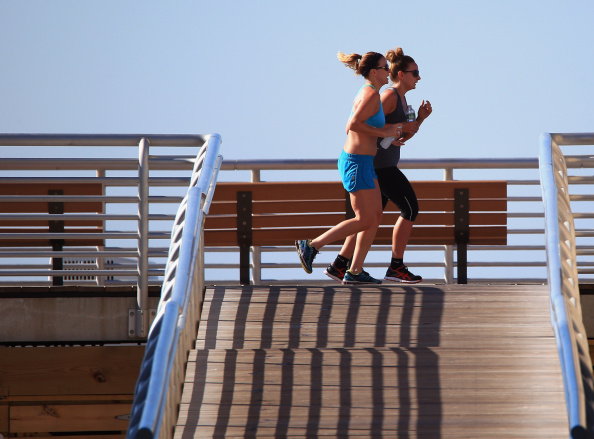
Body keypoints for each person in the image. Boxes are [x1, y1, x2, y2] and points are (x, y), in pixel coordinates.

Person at [324, 47, 432, 284]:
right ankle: (395, 266)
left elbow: (399, 138)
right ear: (401, 74)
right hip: (378, 166)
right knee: (410, 209)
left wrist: (419, 120)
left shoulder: (401, 99)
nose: (419, 77)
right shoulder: (388, 96)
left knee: (371, 218)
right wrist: (392, 131)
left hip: (380, 164)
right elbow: (369, 128)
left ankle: (340, 265)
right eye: (415, 73)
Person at [295, 51, 403, 285]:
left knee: (374, 216)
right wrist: (383, 132)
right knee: (364, 219)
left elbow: (364, 126)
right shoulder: (370, 94)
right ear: (374, 72)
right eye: (385, 68)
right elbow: (352, 125)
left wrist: (388, 136)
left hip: (365, 162)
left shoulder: (372, 93)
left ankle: (354, 271)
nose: (389, 72)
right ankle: (311, 245)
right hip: (355, 162)